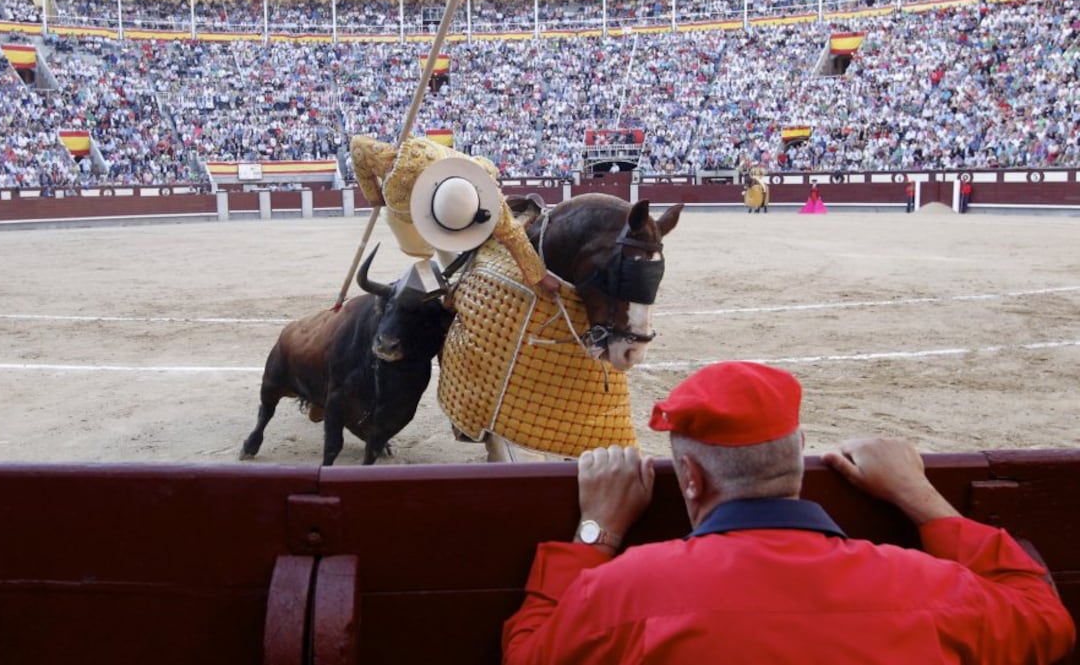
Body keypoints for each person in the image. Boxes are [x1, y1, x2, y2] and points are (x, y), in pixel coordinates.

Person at [502, 361, 1076, 664]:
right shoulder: (927, 589)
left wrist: (595, 533)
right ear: (798, 457)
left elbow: (528, 655)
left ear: (690, 479)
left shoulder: (625, 594)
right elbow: (1046, 623)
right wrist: (918, 495)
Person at [350, 134, 560, 295]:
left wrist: (539, 277)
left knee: (436, 246)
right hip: (408, 189)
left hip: (445, 180)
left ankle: (452, 269)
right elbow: (357, 145)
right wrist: (374, 195)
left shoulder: (490, 199)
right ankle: (443, 266)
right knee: (418, 249)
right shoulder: (398, 166)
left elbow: (358, 145)